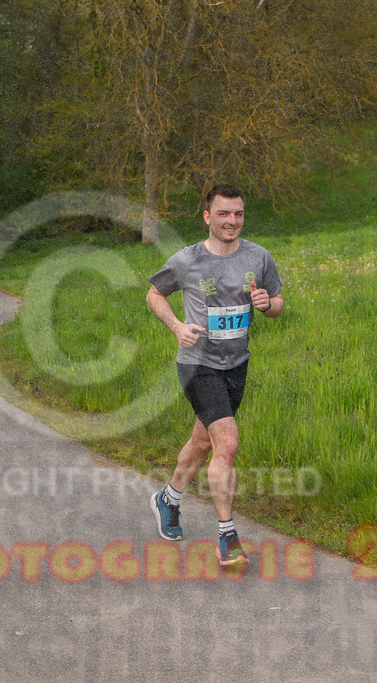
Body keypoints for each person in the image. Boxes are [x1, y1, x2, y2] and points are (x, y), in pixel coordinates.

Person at [146, 184, 284, 566]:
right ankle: (228, 537)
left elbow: (277, 304)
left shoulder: (259, 256)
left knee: (203, 441)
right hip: (197, 363)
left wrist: (267, 303)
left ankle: (168, 499)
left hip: (237, 364)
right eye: (223, 213)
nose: (232, 221)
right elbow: (155, 294)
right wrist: (176, 327)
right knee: (227, 443)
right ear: (207, 217)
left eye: (238, 213)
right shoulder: (187, 260)